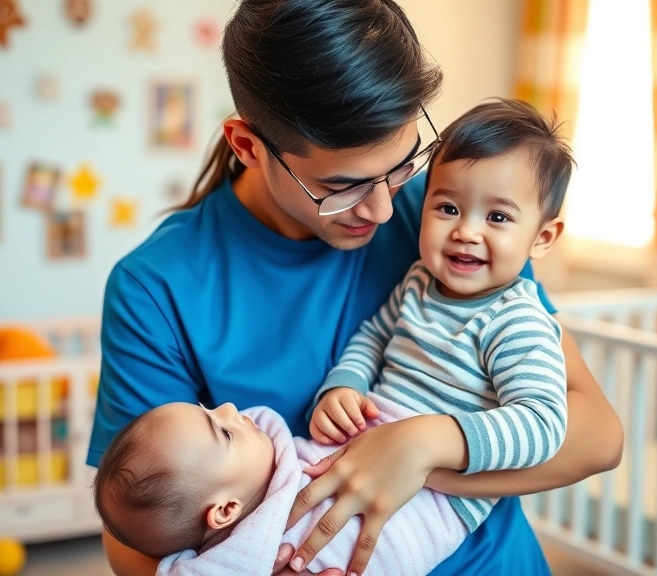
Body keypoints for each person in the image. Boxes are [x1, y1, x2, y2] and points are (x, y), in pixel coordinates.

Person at [87, 1, 624, 575]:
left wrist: (418, 451)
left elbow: (595, 436)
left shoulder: (453, 222)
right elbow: (135, 539)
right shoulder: (157, 287)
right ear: (248, 146)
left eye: (402, 164)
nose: (385, 207)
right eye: (340, 186)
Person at [309, 98, 572, 535]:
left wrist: (436, 441)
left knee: (326, 547)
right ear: (423, 203)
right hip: (366, 448)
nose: (466, 232)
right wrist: (344, 385)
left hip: (439, 498)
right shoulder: (418, 281)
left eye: (498, 216)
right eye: (448, 208)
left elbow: (544, 423)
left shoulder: (517, 320)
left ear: (542, 237)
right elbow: (374, 337)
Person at [93, 396, 473, 576]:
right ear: (226, 510)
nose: (228, 407)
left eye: (206, 407)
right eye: (223, 432)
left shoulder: (292, 460)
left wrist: (423, 446)